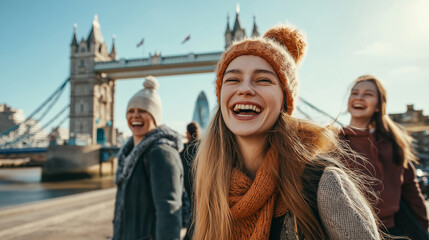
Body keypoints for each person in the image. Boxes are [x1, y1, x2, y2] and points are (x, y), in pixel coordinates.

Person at [193, 24, 382, 240]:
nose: (244, 89)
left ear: (285, 100)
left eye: (263, 79)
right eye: (232, 79)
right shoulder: (211, 185)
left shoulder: (323, 184)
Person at [341, 75, 428, 238]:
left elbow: (411, 188)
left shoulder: (393, 144)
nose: (359, 97)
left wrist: (422, 227)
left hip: (392, 231)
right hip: (347, 233)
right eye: (355, 93)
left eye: (368, 94)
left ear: (378, 107)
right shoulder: (331, 141)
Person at [113, 76, 184, 240]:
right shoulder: (128, 154)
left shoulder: (161, 152)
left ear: (155, 117)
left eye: (143, 111)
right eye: (131, 111)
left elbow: (169, 210)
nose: (135, 116)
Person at [180, 122, 200, 239]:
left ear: (187, 133)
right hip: (202, 188)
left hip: (188, 190)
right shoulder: (205, 147)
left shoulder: (183, 151)